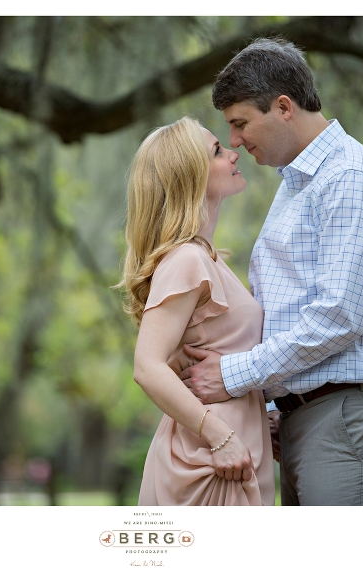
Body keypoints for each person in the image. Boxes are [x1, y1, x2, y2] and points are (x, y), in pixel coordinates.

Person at [180, 37, 363, 506]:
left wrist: (234, 374)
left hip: (348, 416)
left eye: (241, 123)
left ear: (283, 107)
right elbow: (288, 312)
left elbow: (338, 316)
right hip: (308, 419)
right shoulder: (299, 183)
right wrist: (273, 406)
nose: (235, 143)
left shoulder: (351, 179)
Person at [119, 116, 275, 506]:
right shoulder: (187, 259)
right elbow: (147, 366)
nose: (234, 152)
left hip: (233, 452)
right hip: (210, 463)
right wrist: (219, 435)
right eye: (217, 151)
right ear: (192, 177)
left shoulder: (208, 258)